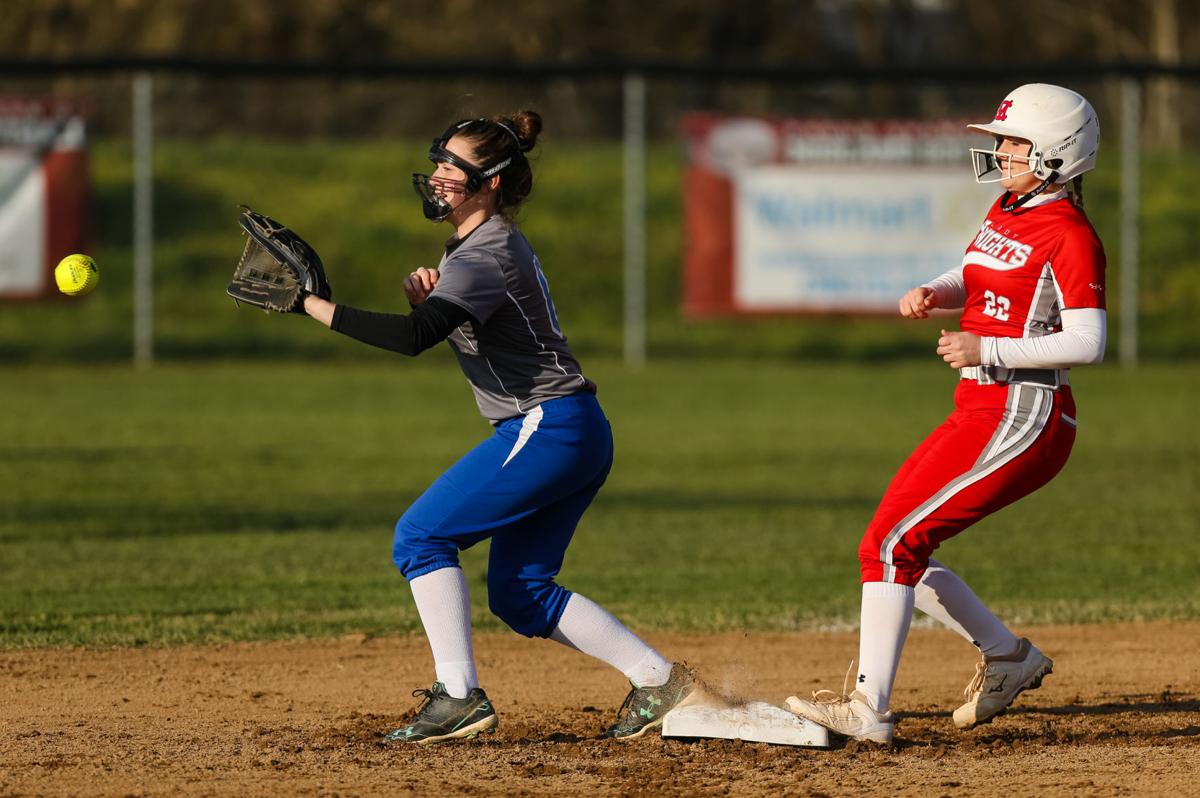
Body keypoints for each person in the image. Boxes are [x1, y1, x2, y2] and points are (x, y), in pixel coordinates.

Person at [301, 111, 692, 744]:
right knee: (519, 592)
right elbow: (447, 323)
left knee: (420, 537)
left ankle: (458, 699)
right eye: (439, 160)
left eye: (453, 167)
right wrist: (428, 303)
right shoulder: (477, 247)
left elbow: (412, 340)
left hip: (549, 427)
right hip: (570, 428)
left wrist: (311, 304)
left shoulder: (485, 253)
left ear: (491, 184)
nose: (437, 175)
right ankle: (660, 682)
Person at [785, 84, 1107, 744]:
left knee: (892, 544)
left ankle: (868, 712)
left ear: (1055, 153)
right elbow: (975, 271)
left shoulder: (1070, 234)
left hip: (1026, 412)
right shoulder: (1009, 209)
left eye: (1015, 142)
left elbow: (1088, 341)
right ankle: (1009, 656)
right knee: (895, 541)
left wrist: (985, 345)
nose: (1001, 150)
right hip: (980, 407)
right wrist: (938, 290)